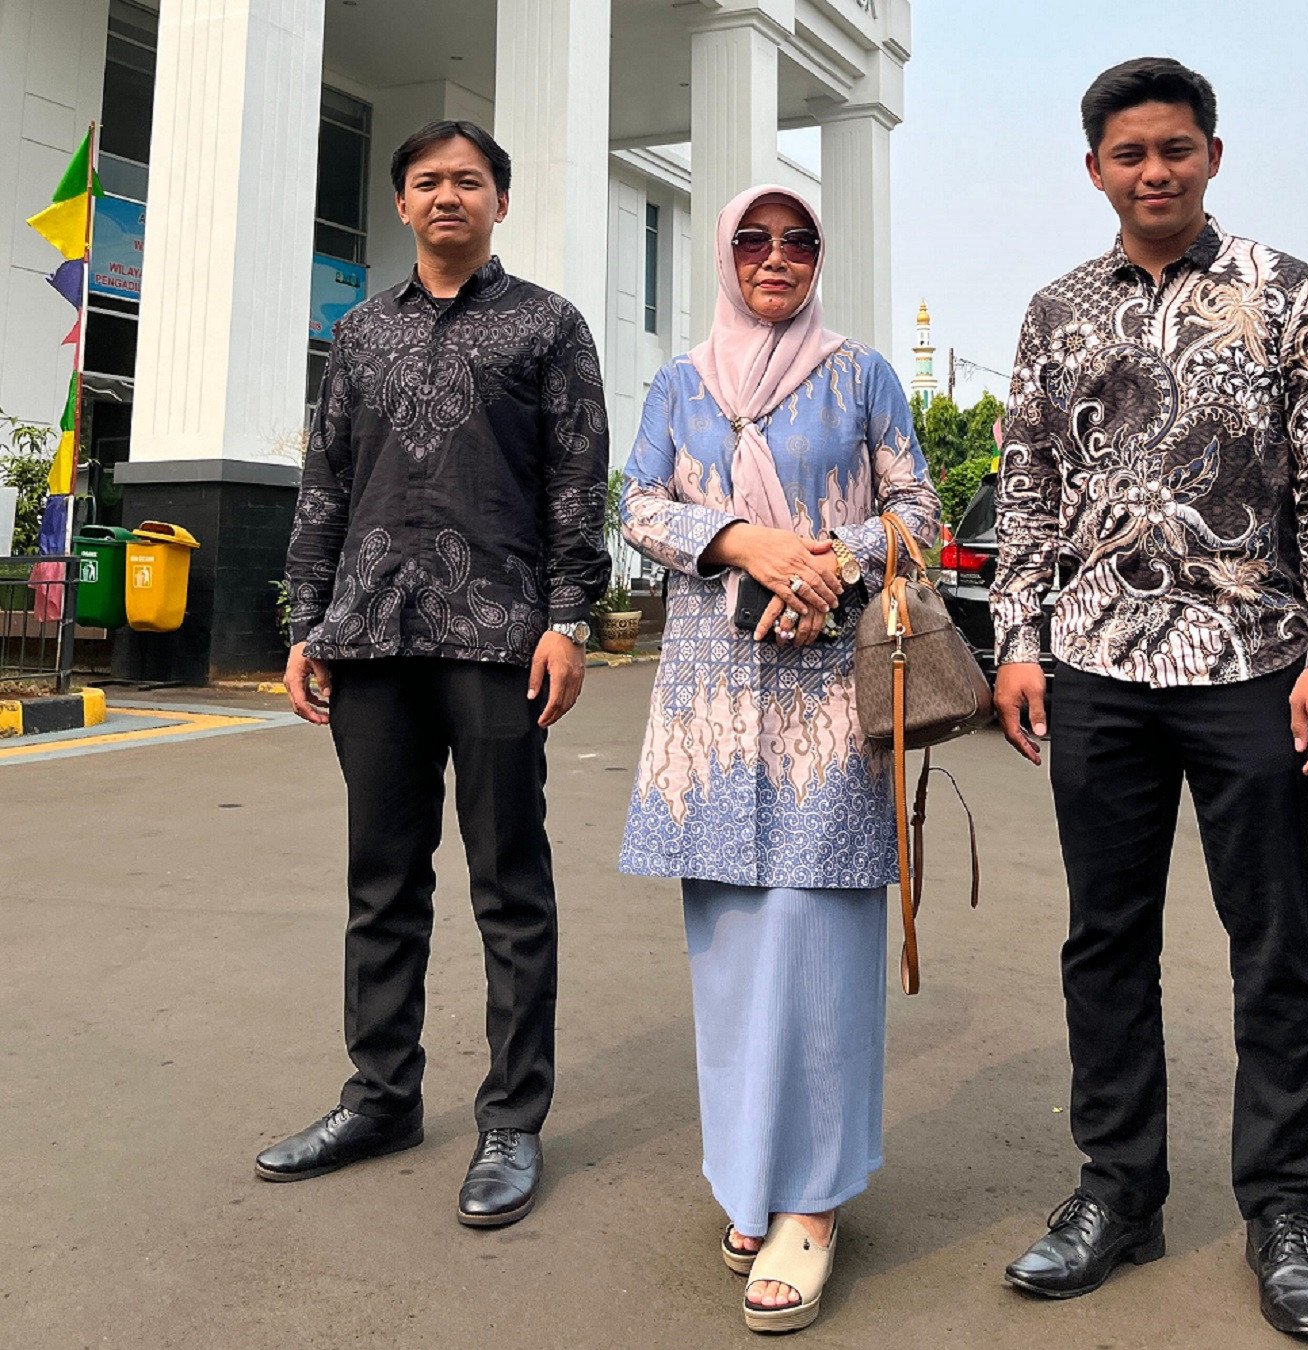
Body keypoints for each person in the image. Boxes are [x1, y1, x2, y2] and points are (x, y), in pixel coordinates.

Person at [991, 59, 1308, 1342]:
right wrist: (1017, 640)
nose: (1151, 171)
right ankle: (1117, 1191)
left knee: (1273, 948)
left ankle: (1283, 1210)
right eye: (1128, 153)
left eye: (1173, 148)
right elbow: (1027, 491)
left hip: (1250, 666)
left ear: (1211, 154)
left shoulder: (1281, 293)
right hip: (1096, 668)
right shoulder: (1055, 311)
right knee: (1104, 941)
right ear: (1093, 169)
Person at [260, 120, 610, 1229]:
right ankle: (380, 1099)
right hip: (370, 637)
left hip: (498, 637)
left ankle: (512, 1119)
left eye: (468, 180)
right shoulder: (359, 333)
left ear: (500, 201)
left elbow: (576, 483)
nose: (447, 195)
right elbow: (324, 483)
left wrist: (569, 620)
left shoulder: (547, 326)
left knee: (509, 885)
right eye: (427, 181)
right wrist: (305, 623)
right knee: (381, 883)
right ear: (402, 203)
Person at [618, 184, 939, 1334]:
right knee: (734, 957)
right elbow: (636, 505)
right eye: (751, 239)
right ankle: (748, 1177)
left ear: (817, 256)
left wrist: (824, 565)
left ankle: (812, 1202)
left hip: (826, 706)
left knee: (819, 947)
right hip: (710, 713)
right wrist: (739, 540)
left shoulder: (859, 377)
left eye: (796, 239)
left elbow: (917, 514)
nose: (773, 257)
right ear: (724, 254)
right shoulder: (680, 382)